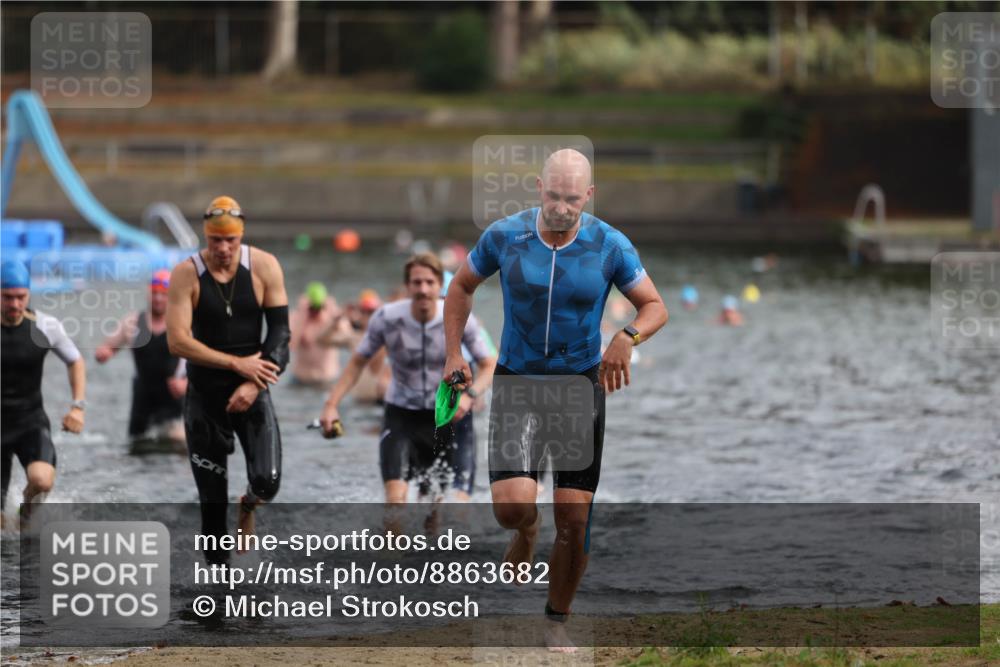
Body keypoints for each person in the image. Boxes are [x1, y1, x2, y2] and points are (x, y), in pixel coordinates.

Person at [443, 149, 668, 652]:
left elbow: (655, 306)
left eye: (572, 199)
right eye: (553, 196)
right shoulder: (504, 236)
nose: (561, 208)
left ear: (588, 196)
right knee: (511, 509)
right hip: (518, 382)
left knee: (575, 519)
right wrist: (452, 353)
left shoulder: (609, 244)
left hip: (578, 388)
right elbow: (460, 288)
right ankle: (526, 530)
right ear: (538, 187)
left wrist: (627, 336)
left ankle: (556, 619)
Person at [319, 253, 496, 514]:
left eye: (429, 282)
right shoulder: (387, 318)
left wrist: (470, 395)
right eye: (416, 283)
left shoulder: (460, 319)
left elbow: (490, 364)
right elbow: (357, 363)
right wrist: (331, 404)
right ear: (407, 286)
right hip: (402, 417)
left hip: (449, 418)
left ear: (440, 286)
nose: (423, 289)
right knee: (395, 504)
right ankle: (392, 553)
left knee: (447, 514)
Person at [166, 196, 290, 565]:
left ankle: (248, 506)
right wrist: (237, 365)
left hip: (253, 392)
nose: (222, 249)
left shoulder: (265, 266)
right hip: (205, 398)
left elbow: (281, 333)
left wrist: (254, 383)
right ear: (205, 237)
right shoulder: (185, 274)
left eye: (230, 241)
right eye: (215, 241)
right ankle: (219, 602)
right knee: (212, 509)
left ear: (241, 237)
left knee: (267, 482)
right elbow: (177, 341)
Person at [1, 260, 86, 524]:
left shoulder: (45, 326)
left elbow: (75, 360)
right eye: (7, 297)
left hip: (30, 421)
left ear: (28, 294)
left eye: (20, 297)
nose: (15, 304)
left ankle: (25, 511)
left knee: (42, 480)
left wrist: (77, 407)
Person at [95, 269, 187, 448]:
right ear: (148, 292)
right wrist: (103, 354)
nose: (158, 298)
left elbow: (201, 362)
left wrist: (186, 383)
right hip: (143, 396)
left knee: (178, 446)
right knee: (137, 445)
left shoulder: (183, 323)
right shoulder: (133, 322)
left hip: (173, 396)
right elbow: (107, 347)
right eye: (155, 293)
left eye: (163, 294)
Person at [320, 289, 390, 404]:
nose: (368, 316)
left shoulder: (388, 337)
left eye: (372, 312)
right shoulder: (353, 337)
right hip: (359, 403)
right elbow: (322, 340)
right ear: (359, 313)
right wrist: (337, 319)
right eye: (364, 311)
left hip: (380, 402)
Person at [289, 281, 342, 386]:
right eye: (312, 308)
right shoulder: (296, 318)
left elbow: (345, 337)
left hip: (327, 380)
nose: (315, 311)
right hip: (299, 381)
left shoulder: (332, 319)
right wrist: (302, 314)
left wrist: (334, 314)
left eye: (319, 307)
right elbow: (291, 346)